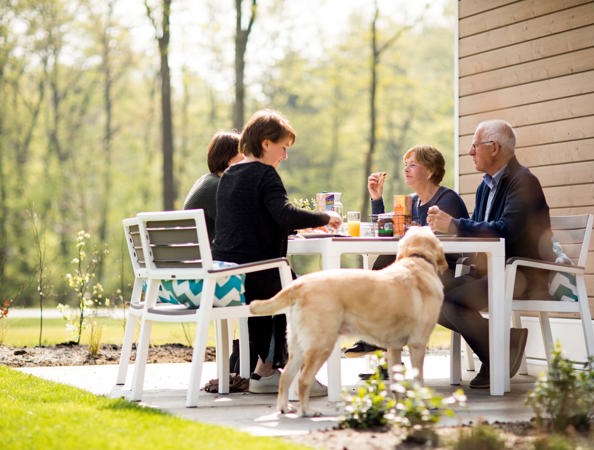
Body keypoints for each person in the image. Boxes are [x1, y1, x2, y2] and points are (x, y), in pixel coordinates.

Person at [212, 109, 342, 394]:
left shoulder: (230, 175)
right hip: (259, 275)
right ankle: (298, 375)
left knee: (289, 279)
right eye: (283, 147)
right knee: (308, 293)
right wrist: (324, 218)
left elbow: (252, 222)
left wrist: (294, 228)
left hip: (228, 276)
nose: (285, 155)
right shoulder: (265, 174)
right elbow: (284, 214)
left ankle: (265, 371)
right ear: (266, 143)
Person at [427, 119, 554, 389]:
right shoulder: (485, 185)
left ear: (493, 147)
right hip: (492, 272)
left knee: (453, 302)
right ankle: (505, 344)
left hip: (524, 274)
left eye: (474, 146)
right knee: (431, 297)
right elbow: (480, 232)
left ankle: (495, 357)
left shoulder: (524, 182)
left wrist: (454, 225)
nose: (470, 152)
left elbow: (505, 231)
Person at [345, 144, 469, 359]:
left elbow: (443, 248)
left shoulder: (447, 199)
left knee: (389, 276)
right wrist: (376, 198)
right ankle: (383, 349)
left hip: (444, 272)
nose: (406, 169)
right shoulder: (411, 201)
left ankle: (378, 342)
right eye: (405, 165)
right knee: (385, 263)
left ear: (430, 171)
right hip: (416, 271)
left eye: (413, 165)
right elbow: (389, 231)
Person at [183, 131, 244, 242]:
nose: (247, 160)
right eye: (243, 155)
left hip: (194, 256)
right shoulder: (217, 187)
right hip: (209, 257)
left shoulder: (206, 181)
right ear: (230, 160)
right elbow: (241, 227)